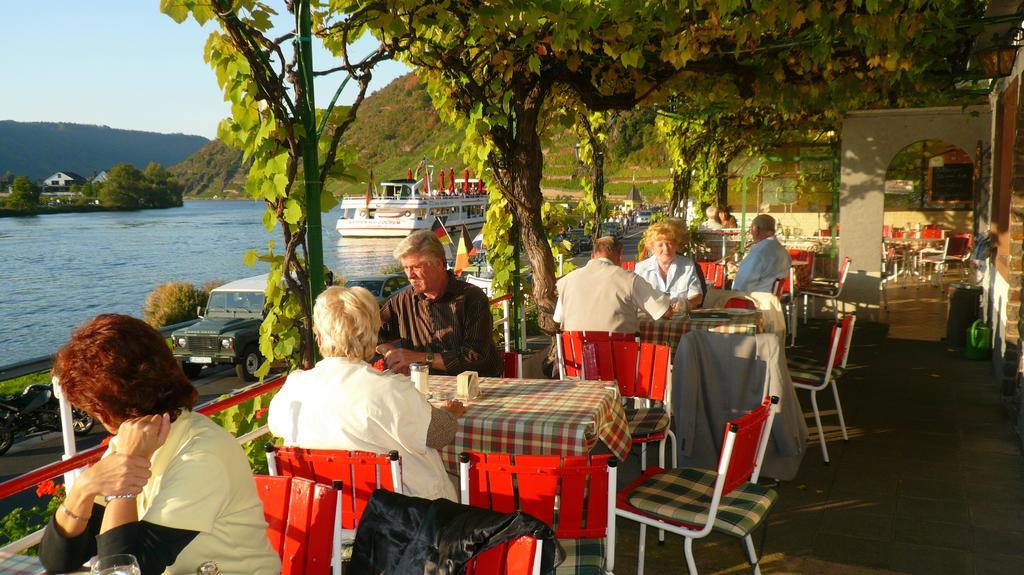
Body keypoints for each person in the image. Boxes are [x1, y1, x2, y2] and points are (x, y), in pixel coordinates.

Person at [39, 314, 280, 575]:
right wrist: (83, 489)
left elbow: (125, 568)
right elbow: (57, 560)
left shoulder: (202, 453)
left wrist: (124, 483)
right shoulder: (131, 441)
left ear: (106, 410)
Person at [268, 286, 463, 500]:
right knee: (460, 481)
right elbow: (440, 434)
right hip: (401, 518)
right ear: (372, 334)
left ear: (319, 335)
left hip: (329, 516)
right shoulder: (391, 390)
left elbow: (276, 427)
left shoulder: (294, 388)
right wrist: (450, 412)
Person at [379, 230, 503, 377]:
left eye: (416, 267)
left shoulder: (472, 298)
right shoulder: (401, 301)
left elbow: (474, 356)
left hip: (476, 387)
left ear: (439, 263)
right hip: (423, 388)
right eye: (406, 268)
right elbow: (370, 334)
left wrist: (419, 358)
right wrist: (389, 351)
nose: (410, 275)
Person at [554, 235, 673, 333]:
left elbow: (559, 321)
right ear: (619, 254)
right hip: (620, 357)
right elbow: (665, 311)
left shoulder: (567, 281)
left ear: (592, 255)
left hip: (577, 357)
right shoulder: (629, 279)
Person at [635, 220, 704, 310]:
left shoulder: (687, 265)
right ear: (652, 248)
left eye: (669, 244)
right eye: (660, 245)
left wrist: (685, 304)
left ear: (676, 245)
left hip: (679, 318)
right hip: (650, 318)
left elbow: (698, 297)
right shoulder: (642, 268)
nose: (666, 249)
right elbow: (634, 298)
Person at [732, 214, 793, 293]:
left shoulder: (759, 252)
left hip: (753, 301)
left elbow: (741, 284)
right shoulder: (783, 251)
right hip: (772, 300)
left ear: (755, 229)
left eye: (750, 229)